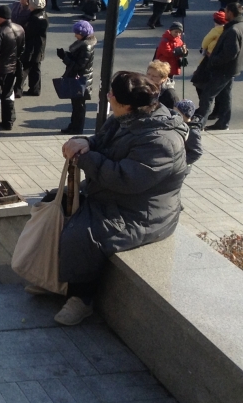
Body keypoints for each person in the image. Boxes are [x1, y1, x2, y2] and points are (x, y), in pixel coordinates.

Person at [50, 72, 188, 326]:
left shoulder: (162, 141)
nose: (108, 95)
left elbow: (126, 179)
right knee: (53, 202)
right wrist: (85, 142)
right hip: (112, 195)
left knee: (83, 234)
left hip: (141, 212)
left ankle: (82, 298)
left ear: (126, 103)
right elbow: (101, 143)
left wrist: (84, 158)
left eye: (111, 93)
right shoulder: (124, 118)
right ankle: (50, 277)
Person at [193, 1, 243, 130]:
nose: (224, 13)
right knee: (226, 96)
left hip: (223, 69)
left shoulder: (233, 30)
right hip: (233, 68)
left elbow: (230, 53)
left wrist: (213, 59)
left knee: (208, 95)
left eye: (226, 11)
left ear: (230, 13)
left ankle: (200, 124)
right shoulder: (239, 26)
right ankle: (223, 123)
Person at [0, 5, 25, 133]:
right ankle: (8, 122)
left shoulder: (0, 33)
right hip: (13, 68)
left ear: (0, 17)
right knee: (8, 95)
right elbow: (21, 49)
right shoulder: (20, 29)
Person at [58, 20, 96, 134]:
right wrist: (66, 55)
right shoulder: (83, 44)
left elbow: (79, 65)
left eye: (77, 33)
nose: (75, 35)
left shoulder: (86, 47)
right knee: (76, 105)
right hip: (79, 78)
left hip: (81, 79)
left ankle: (77, 128)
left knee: (79, 106)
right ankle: (73, 126)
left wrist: (64, 58)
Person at [20, 0, 49, 97]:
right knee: (36, 68)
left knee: (24, 68)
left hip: (31, 47)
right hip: (39, 46)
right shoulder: (44, 15)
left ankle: (18, 90)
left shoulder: (34, 18)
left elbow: (28, 32)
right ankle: (35, 89)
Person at [175, 99, 204, 169]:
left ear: (185, 114)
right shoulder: (180, 124)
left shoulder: (192, 132)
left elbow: (197, 152)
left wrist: (181, 163)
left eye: (177, 113)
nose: (174, 115)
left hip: (182, 166)